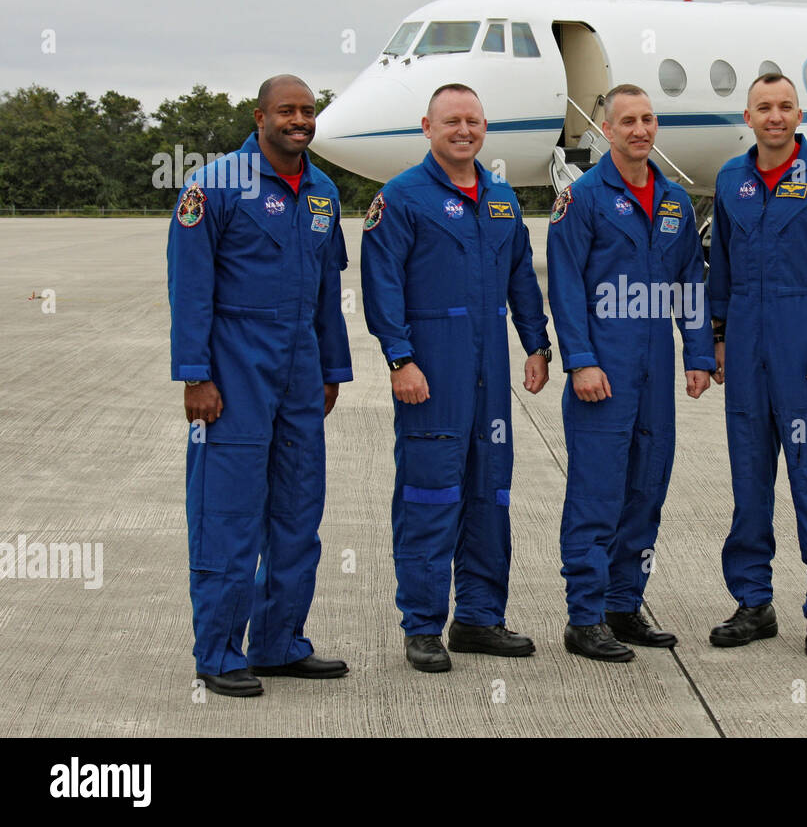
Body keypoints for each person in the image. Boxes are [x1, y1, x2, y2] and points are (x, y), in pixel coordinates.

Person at [167, 74, 353, 698]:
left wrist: (332, 368)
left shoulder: (324, 191)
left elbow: (328, 293)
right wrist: (196, 375)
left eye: (308, 110)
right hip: (234, 365)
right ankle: (218, 652)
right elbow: (191, 288)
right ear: (259, 117)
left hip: (301, 366)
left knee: (299, 512)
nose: (299, 120)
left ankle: (279, 644)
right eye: (287, 111)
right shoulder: (213, 185)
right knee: (229, 512)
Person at [361, 84, 551, 673]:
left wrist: (536, 342)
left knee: (489, 494)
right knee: (428, 497)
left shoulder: (500, 199)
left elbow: (521, 273)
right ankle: (422, 627)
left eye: (472, 121)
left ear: (485, 127)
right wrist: (400, 359)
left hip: (490, 376)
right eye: (451, 121)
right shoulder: (401, 198)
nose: (463, 130)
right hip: (431, 373)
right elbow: (382, 283)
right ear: (427, 126)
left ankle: (478, 619)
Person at [547, 83, 714, 662]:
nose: (640, 130)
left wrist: (698, 355)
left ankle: (624, 603)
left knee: (646, 491)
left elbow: (691, 280)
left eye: (648, 119)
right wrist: (581, 360)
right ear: (606, 131)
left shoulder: (673, 201)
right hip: (604, 369)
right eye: (627, 121)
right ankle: (585, 617)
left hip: (655, 371)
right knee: (597, 494)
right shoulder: (585, 198)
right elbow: (565, 283)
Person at [707, 73, 807, 657]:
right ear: (747, 117)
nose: (774, 116)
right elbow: (719, 265)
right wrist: (719, 335)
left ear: (799, 114)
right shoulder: (731, 179)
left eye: (785, 106)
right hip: (747, 340)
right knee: (749, 481)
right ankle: (753, 603)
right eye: (763, 108)